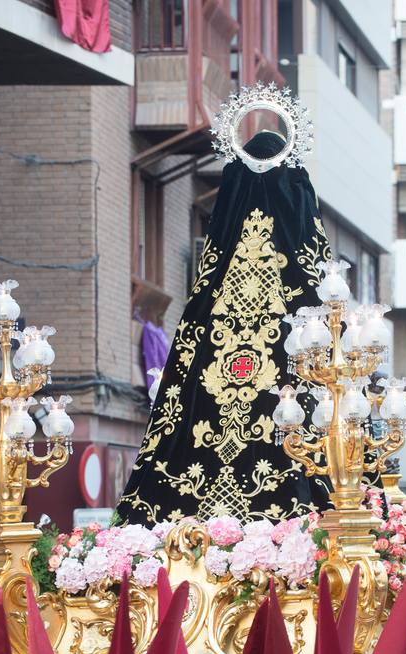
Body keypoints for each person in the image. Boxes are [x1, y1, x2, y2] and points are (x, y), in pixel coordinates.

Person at [116, 85, 332, 526]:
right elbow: (313, 257)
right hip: (291, 339)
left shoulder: (232, 201)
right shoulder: (294, 189)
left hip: (219, 332)